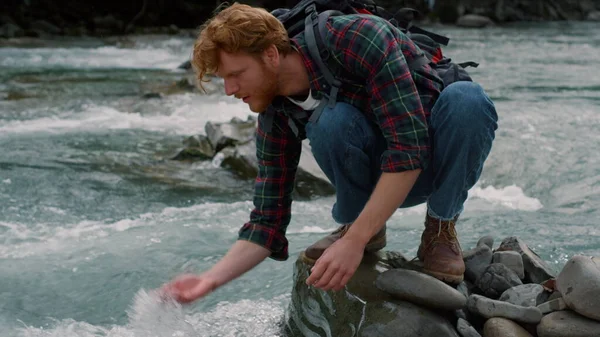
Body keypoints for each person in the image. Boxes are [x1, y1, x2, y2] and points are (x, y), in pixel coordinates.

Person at [161, 2, 498, 303]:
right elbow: (267, 222)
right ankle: (361, 226)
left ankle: (439, 229)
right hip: (378, 177)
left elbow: (408, 149)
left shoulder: (357, 38)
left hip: (430, 162)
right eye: (223, 79)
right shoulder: (276, 116)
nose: (230, 90)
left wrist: (353, 243)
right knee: (330, 121)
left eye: (236, 75)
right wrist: (208, 281)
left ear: (271, 55)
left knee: (467, 99)